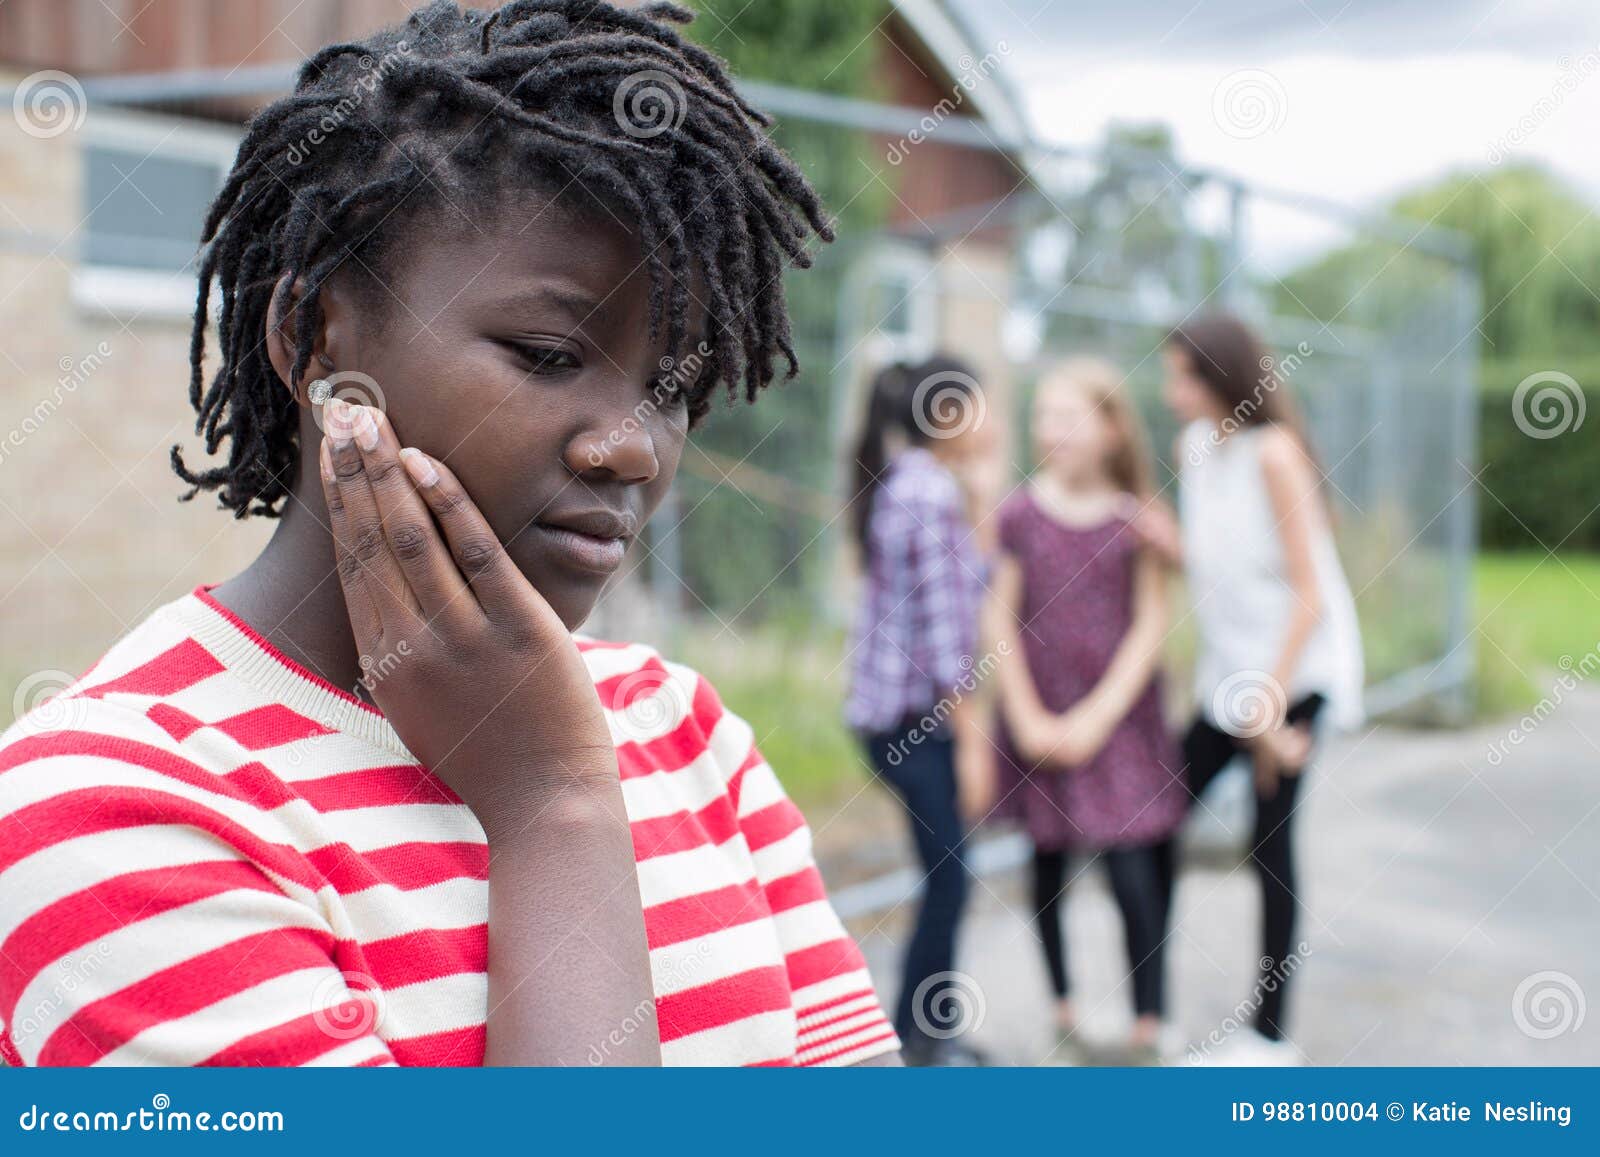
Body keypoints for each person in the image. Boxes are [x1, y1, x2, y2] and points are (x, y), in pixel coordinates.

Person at [0, 1, 901, 1068]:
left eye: (673, 387)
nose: (636, 449)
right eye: (545, 353)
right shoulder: (111, 812)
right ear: (310, 335)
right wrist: (551, 804)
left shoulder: (687, 735)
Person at [1141, 313, 1364, 1065]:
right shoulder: (1194, 449)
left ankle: (1272, 1035)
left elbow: (1309, 592)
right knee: (1156, 821)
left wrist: (1270, 705)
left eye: (1182, 375)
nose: (1170, 391)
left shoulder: (1276, 455)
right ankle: (1152, 1013)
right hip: (1226, 677)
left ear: (1220, 377)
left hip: (1292, 672)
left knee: (1271, 843)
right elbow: (1216, 561)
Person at [985, 358, 1187, 1065]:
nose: (1052, 430)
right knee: (1046, 860)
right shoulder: (1018, 511)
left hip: (1120, 725)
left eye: (1069, 416)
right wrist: (1030, 717)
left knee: (1135, 864)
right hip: (1039, 714)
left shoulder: (1138, 522)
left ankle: (1149, 1020)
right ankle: (1063, 1006)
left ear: (1108, 427)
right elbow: (999, 619)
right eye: (1043, 415)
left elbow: (1151, 622)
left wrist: (1097, 718)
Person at [846, 356, 994, 1066]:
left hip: (892, 717)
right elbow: (943, 634)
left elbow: (964, 588)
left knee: (946, 872)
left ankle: (924, 1027)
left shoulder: (908, 482)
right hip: (917, 722)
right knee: (951, 876)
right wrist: (970, 738)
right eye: (979, 405)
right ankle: (920, 1036)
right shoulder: (929, 491)